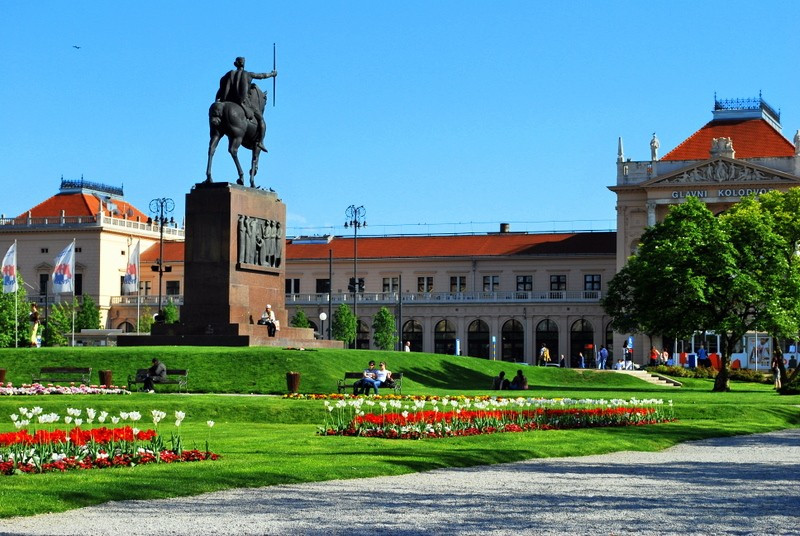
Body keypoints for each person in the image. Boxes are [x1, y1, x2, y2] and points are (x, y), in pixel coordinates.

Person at [216, 57, 277, 152]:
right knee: (261, 120)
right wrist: (272, 74)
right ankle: (260, 141)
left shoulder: (229, 74)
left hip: (228, 100)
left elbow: (221, 89)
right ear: (243, 64)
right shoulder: (248, 74)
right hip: (244, 102)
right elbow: (262, 75)